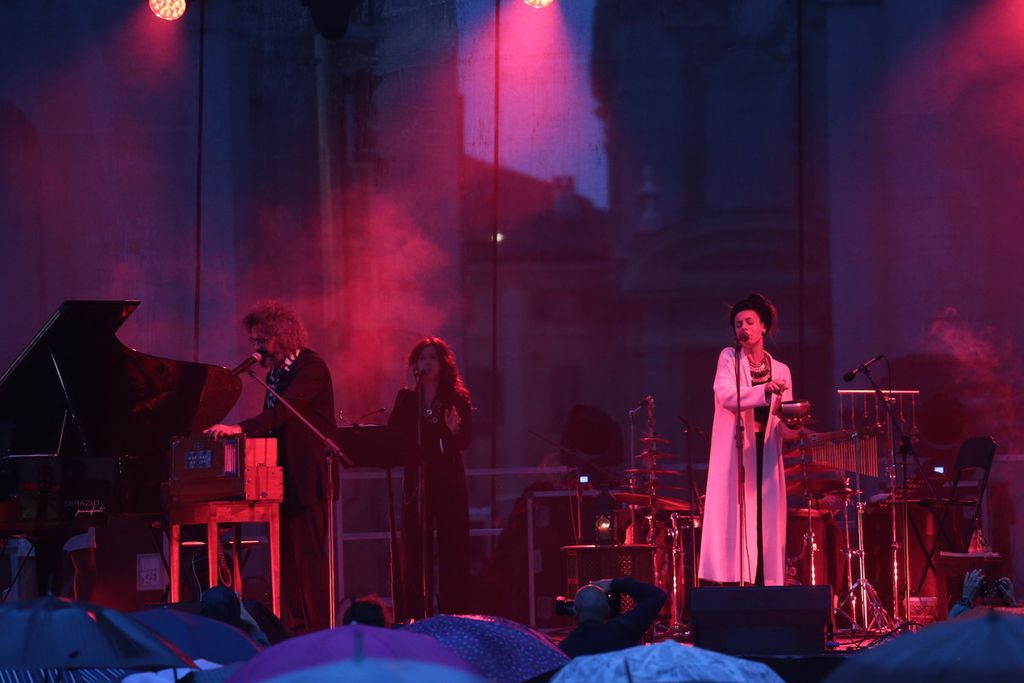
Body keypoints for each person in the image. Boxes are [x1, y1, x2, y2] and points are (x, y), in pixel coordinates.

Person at [205, 300, 335, 634]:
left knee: (309, 562)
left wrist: (240, 428)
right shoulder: (276, 373)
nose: (257, 347)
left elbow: (283, 413)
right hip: (281, 479)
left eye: (261, 340)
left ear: (282, 334)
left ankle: (320, 633)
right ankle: (295, 632)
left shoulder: (310, 367)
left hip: (307, 478)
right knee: (287, 563)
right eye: (254, 341)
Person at [698, 293, 802, 586]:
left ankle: (763, 584)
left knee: (764, 520)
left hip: (765, 452)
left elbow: (781, 423)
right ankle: (736, 583)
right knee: (737, 517)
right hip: (737, 452)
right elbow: (726, 396)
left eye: (749, 322)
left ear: (763, 326)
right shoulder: (729, 358)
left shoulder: (781, 370)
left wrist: (794, 425)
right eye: (738, 324)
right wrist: (764, 391)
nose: (743, 328)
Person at [387, 337, 472, 619]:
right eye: (422, 358)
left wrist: (453, 432)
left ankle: (455, 613)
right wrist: (411, 394)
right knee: (414, 548)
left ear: (443, 364)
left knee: (452, 547)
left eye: (432, 357)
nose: (426, 363)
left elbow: (465, 440)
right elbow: (394, 434)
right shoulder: (407, 398)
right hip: (417, 481)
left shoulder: (456, 399)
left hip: (448, 479)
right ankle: (413, 614)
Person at [558, 577, 666, 658]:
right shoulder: (623, 630)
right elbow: (656, 596)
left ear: (574, 611)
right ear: (608, 610)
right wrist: (615, 583)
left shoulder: (565, 648)